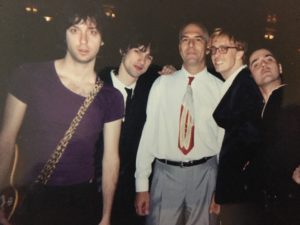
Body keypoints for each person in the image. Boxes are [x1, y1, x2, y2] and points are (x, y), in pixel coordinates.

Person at [0, 1, 123, 225]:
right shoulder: (28, 76)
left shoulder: (110, 97)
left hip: (81, 200)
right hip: (32, 198)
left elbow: (111, 160)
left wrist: (106, 216)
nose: (84, 41)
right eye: (75, 30)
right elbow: (5, 141)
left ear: (102, 39)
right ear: (64, 34)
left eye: (92, 31)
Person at [135, 22, 223, 225]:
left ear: (208, 46)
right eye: (185, 39)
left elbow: (223, 142)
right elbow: (149, 133)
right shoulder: (161, 84)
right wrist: (141, 184)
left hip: (206, 175)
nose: (191, 45)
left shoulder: (220, 89)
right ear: (179, 47)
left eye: (197, 39)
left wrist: (220, 189)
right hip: (166, 175)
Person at [96, 33, 175, 225]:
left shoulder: (151, 88)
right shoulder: (97, 86)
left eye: (148, 56)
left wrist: (172, 72)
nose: (142, 60)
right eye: (138, 51)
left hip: (133, 189)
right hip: (95, 184)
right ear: (123, 50)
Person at [208, 28, 263, 225]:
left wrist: (225, 194)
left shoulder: (245, 86)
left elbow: (248, 145)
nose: (216, 54)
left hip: (240, 195)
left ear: (240, 52)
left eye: (223, 48)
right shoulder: (234, 84)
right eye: (213, 49)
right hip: (233, 190)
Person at [249, 48, 300, 225]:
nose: (263, 64)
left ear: (280, 67)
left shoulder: (295, 99)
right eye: (256, 63)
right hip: (263, 204)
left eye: (268, 59)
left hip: (292, 200)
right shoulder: (255, 110)